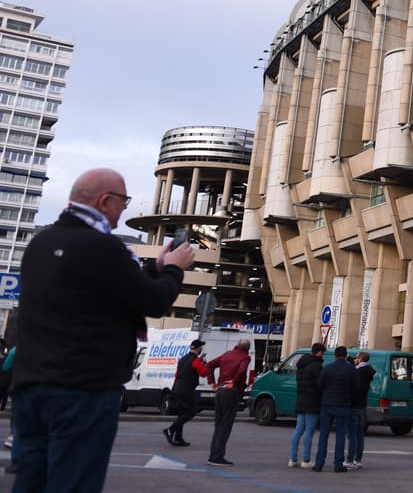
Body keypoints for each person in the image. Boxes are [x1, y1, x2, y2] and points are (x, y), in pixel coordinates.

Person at [11, 168, 194, 491]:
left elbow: (106, 289)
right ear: (105, 200)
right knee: (74, 482)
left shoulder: (41, 243)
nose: (124, 208)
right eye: (123, 201)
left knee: (31, 481)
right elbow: (151, 302)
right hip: (84, 388)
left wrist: (154, 269)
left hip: (31, 386)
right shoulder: (104, 247)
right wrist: (174, 272)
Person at [204, 338, 252, 467]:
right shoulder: (245, 357)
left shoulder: (226, 355)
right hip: (231, 393)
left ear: (237, 345)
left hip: (220, 391)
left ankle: (212, 455)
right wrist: (234, 382)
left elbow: (209, 366)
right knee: (225, 425)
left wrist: (212, 383)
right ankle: (218, 457)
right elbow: (242, 371)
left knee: (218, 425)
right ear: (248, 348)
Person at [314, 345, 358, 473]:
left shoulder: (327, 368)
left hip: (327, 404)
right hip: (343, 404)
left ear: (334, 356)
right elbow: (356, 387)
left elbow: (320, 385)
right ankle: (338, 464)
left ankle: (319, 463)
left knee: (323, 434)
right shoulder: (351, 370)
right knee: (340, 435)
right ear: (346, 356)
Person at [164, 339, 209, 447]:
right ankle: (170, 430)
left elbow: (177, 374)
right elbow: (204, 373)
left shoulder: (183, 359)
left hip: (177, 388)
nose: (202, 348)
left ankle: (178, 438)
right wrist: (205, 363)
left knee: (182, 413)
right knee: (191, 412)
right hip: (186, 390)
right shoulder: (196, 360)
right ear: (198, 348)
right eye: (201, 347)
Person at [289, 343, 325, 468]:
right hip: (313, 402)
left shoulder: (301, 366)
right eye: (323, 353)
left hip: (301, 399)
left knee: (298, 430)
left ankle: (293, 459)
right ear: (319, 352)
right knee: (309, 431)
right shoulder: (317, 366)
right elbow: (320, 384)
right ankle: (306, 459)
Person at [346, 350, 374, 469]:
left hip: (353, 405)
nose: (355, 360)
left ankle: (349, 460)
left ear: (360, 359)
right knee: (359, 434)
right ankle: (358, 459)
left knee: (352, 434)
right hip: (362, 405)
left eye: (356, 358)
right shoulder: (368, 371)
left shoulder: (358, 372)